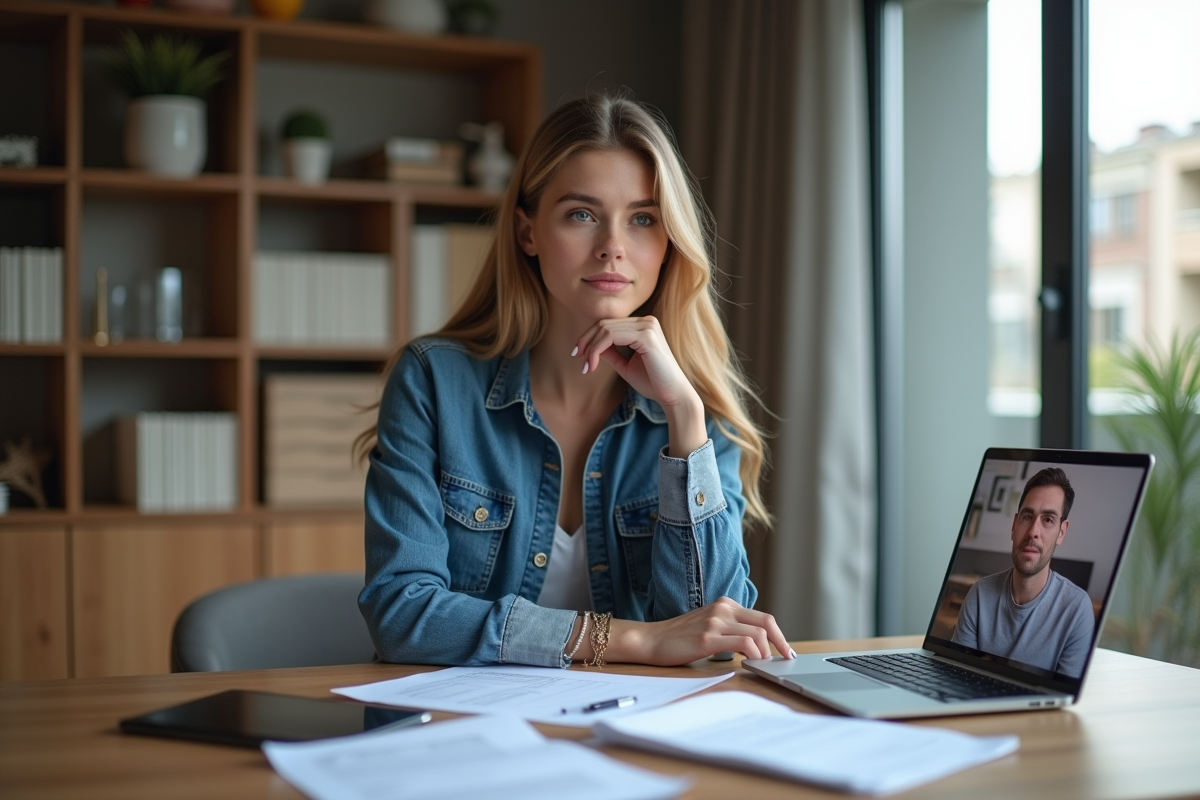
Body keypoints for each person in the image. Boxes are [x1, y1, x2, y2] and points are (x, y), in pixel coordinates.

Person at [356, 94, 793, 668]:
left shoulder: (694, 406)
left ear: (669, 243)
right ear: (528, 231)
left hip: (637, 733)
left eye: (643, 219)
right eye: (581, 214)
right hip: (473, 731)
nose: (613, 245)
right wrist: (633, 639)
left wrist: (686, 421)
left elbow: (714, 628)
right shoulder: (434, 384)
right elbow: (402, 614)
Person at [952, 467, 1095, 677]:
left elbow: (1062, 700)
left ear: (1061, 532)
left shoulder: (1076, 610)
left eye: (1048, 520)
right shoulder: (980, 594)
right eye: (1027, 517)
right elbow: (955, 677)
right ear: (1014, 525)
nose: (1033, 533)